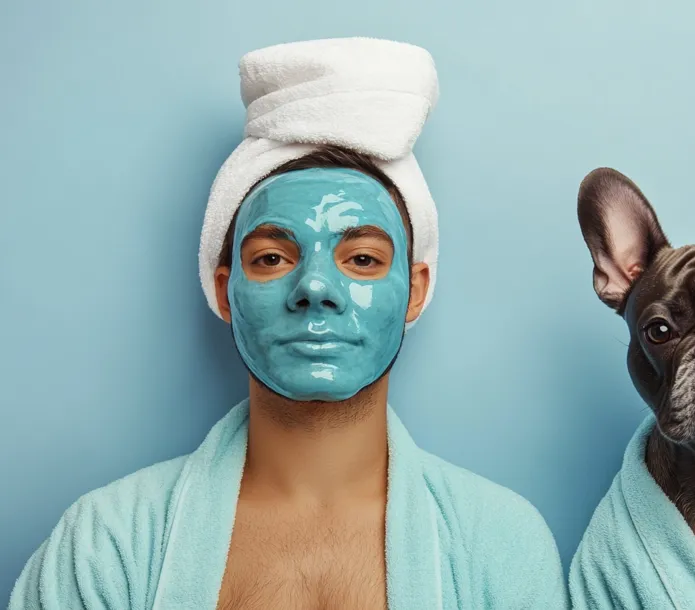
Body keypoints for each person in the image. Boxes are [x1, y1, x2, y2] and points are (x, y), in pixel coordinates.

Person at [8, 38, 568, 610]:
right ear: (225, 290)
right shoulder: (106, 546)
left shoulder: (501, 545)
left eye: (363, 259)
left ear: (415, 292)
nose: (316, 289)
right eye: (272, 258)